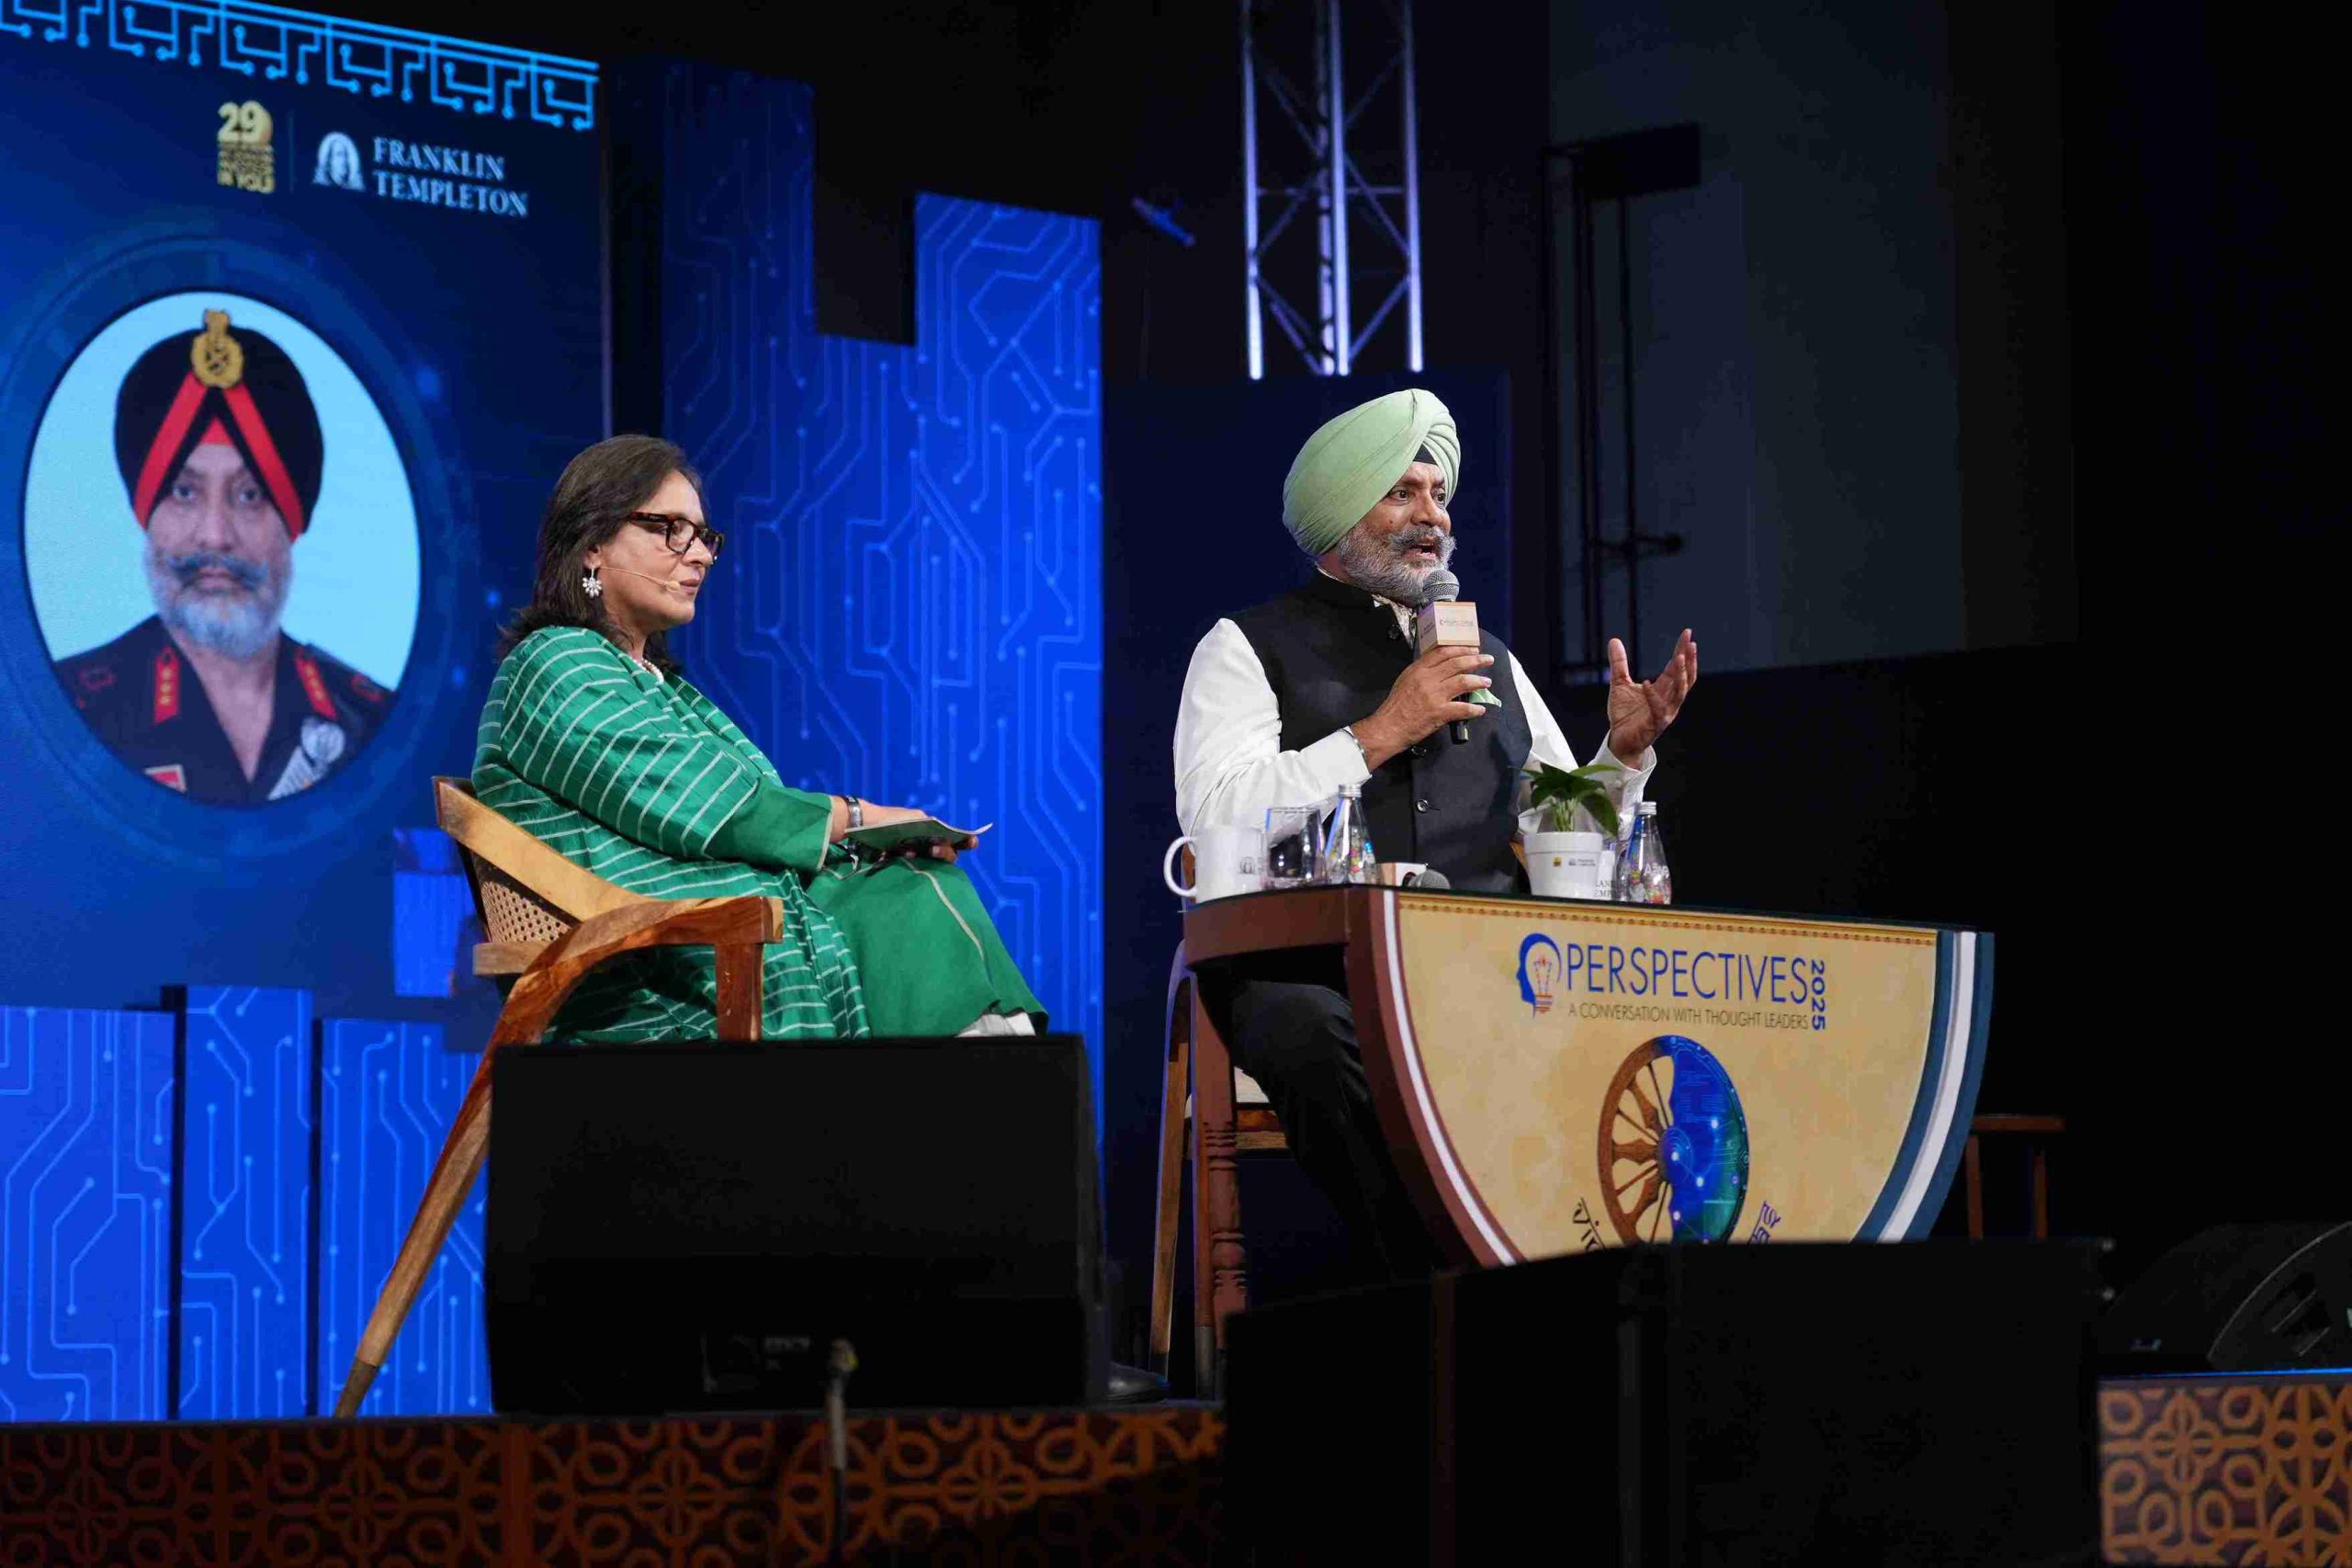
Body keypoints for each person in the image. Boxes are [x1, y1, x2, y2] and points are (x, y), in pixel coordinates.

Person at [1170, 388, 1698, 1276]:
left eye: (1440, 494)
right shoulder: (1247, 645)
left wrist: (1621, 754)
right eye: (1402, 492)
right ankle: (1441, 1287)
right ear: (1341, 512)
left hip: (1489, 967)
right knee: (1306, 1031)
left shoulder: (1490, 657)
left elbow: (1562, 833)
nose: (1433, 516)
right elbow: (1217, 814)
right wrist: (1381, 730)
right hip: (1318, 969)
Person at [474, 434, 1043, 1043]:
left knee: (913, 883)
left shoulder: (663, 688)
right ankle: (1001, 1096)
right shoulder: (555, 662)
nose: (698, 554)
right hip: (649, 973)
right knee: (908, 904)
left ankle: (1009, 1091)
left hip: (726, 932)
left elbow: (747, 815)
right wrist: (858, 818)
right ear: (591, 544)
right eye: (670, 529)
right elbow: (703, 802)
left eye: (703, 537)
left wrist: (873, 845)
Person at [52, 308, 393, 803]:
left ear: (292, 525)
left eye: (250, 495)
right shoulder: (69, 713)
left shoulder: (371, 723)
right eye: (184, 492)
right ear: (147, 517)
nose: (214, 536)